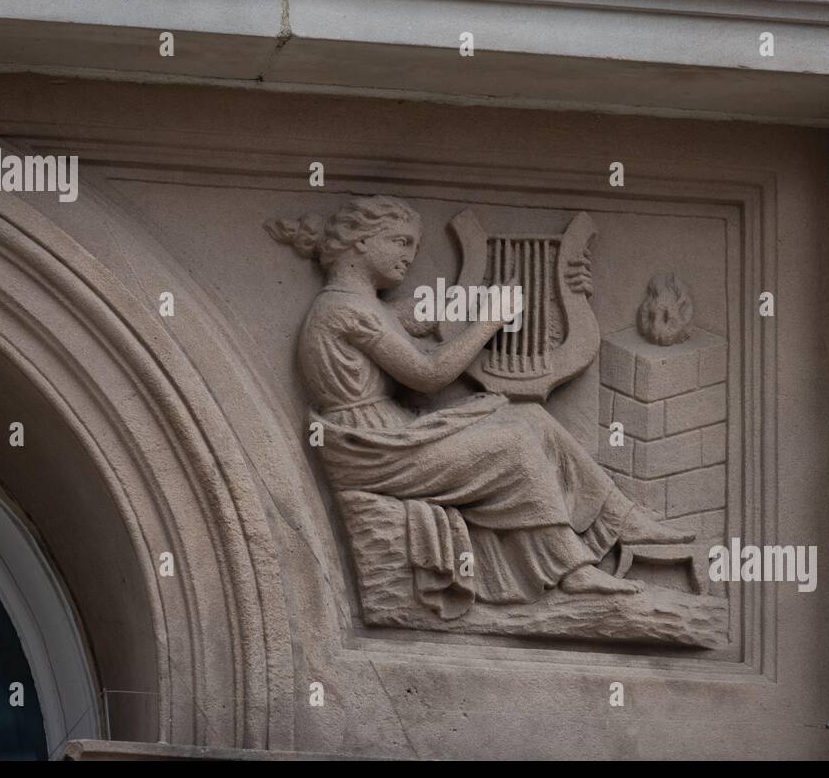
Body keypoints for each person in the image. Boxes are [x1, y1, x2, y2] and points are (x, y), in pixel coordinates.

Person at [268, 195, 687, 604]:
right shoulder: (343, 311)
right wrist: (490, 320)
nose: (410, 257)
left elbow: (421, 314)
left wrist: (556, 289)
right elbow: (428, 375)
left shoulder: (363, 305)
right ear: (361, 241)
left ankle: (622, 520)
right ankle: (570, 570)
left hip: (390, 432)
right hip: (372, 448)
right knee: (515, 445)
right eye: (401, 242)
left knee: (531, 418)